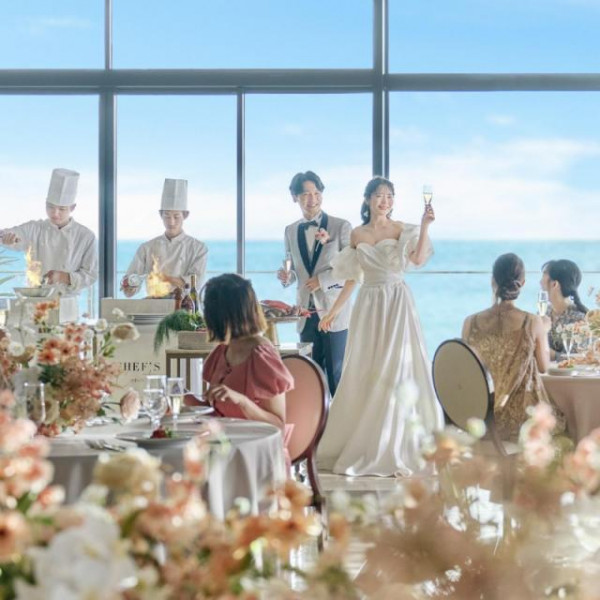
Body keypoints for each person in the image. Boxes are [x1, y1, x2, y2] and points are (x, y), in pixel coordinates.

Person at [316, 176, 443, 477]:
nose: (384, 201)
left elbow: (417, 259)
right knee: (365, 366)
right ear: (367, 200)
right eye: (378, 196)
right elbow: (352, 278)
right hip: (369, 304)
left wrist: (425, 226)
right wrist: (332, 312)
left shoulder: (401, 229)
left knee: (396, 365)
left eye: (389, 196)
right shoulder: (357, 234)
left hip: (396, 301)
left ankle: (395, 440)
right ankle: (363, 437)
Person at [463, 253, 564, 440]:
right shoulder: (532, 322)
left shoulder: (470, 322)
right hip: (521, 421)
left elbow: (468, 370)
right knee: (566, 427)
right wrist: (544, 330)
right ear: (522, 283)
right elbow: (543, 367)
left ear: (493, 281)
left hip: (482, 418)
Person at [276, 171, 352, 395]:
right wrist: (286, 277)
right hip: (305, 312)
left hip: (333, 311)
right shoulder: (290, 230)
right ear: (295, 197)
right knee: (310, 374)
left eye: (317, 193)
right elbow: (294, 269)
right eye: (306, 194)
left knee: (336, 374)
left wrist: (323, 280)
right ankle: (316, 416)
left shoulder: (341, 226)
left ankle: (338, 417)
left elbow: (351, 267)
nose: (313, 199)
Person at [202, 273, 294, 434]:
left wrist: (242, 402)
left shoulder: (261, 355)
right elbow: (218, 413)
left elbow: (278, 425)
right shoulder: (222, 351)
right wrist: (186, 400)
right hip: (226, 440)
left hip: (257, 444)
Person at [0, 168, 97, 292]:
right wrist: (6, 237)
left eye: (62, 209)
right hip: (36, 297)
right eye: (50, 207)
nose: (55, 213)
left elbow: (90, 275)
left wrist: (64, 277)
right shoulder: (34, 228)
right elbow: (13, 233)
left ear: (72, 208)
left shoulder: (86, 236)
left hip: (67, 300)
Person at [121, 178, 208, 297]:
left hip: (185, 305)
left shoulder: (198, 248)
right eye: (167, 216)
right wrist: (129, 286)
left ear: (185, 215)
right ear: (160, 215)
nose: (171, 222)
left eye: (176, 216)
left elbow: (194, 283)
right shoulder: (147, 248)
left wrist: (163, 278)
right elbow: (131, 283)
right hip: (154, 305)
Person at [540, 259, 588, 361]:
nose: (540, 281)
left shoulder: (579, 320)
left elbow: (579, 359)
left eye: (544, 274)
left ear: (555, 284)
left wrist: (552, 355)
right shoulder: (545, 313)